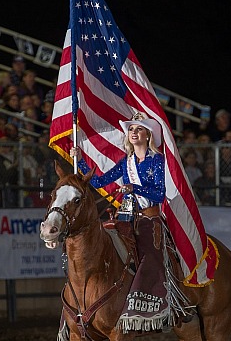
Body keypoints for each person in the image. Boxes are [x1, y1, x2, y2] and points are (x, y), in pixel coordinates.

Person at [70, 112, 171, 333]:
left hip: (148, 216)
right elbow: (99, 181)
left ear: (148, 136)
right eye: (132, 129)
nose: (133, 133)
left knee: (149, 255)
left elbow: (160, 194)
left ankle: (154, 304)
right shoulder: (126, 162)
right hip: (125, 216)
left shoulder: (157, 160)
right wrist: (80, 161)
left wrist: (135, 188)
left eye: (139, 129)